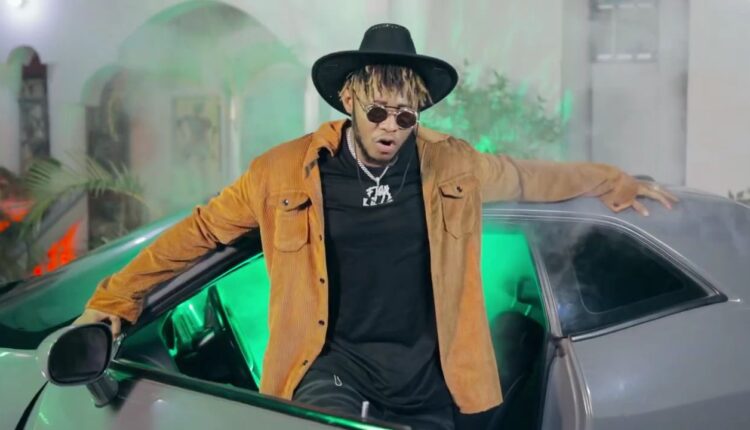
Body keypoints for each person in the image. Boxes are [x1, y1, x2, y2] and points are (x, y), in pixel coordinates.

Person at [75, 23, 677, 429]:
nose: (391, 126)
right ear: (349, 101)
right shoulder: (283, 172)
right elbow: (201, 232)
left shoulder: (452, 165)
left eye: (405, 115)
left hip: (429, 387)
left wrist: (611, 179)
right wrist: (113, 301)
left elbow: (527, 178)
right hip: (331, 373)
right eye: (378, 111)